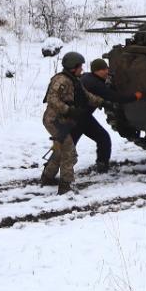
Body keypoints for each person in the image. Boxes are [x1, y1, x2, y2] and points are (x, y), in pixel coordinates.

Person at [41, 51, 107, 194]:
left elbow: (87, 96)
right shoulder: (61, 81)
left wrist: (103, 102)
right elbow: (52, 99)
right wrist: (68, 110)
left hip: (63, 120)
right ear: (73, 67)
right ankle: (65, 187)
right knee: (69, 152)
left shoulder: (75, 80)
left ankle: (47, 177)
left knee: (60, 150)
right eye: (80, 66)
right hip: (54, 121)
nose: (82, 69)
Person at [71, 58, 142, 173]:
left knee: (103, 138)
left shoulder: (88, 77)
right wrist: (135, 96)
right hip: (77, 119)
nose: (106, 72)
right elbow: (115, 97)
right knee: (67, 146)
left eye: (107, 68)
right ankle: (49, 173)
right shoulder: (95, 84)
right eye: (103, 70)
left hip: (83, 117)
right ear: (96, 71)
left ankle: (102, 165)